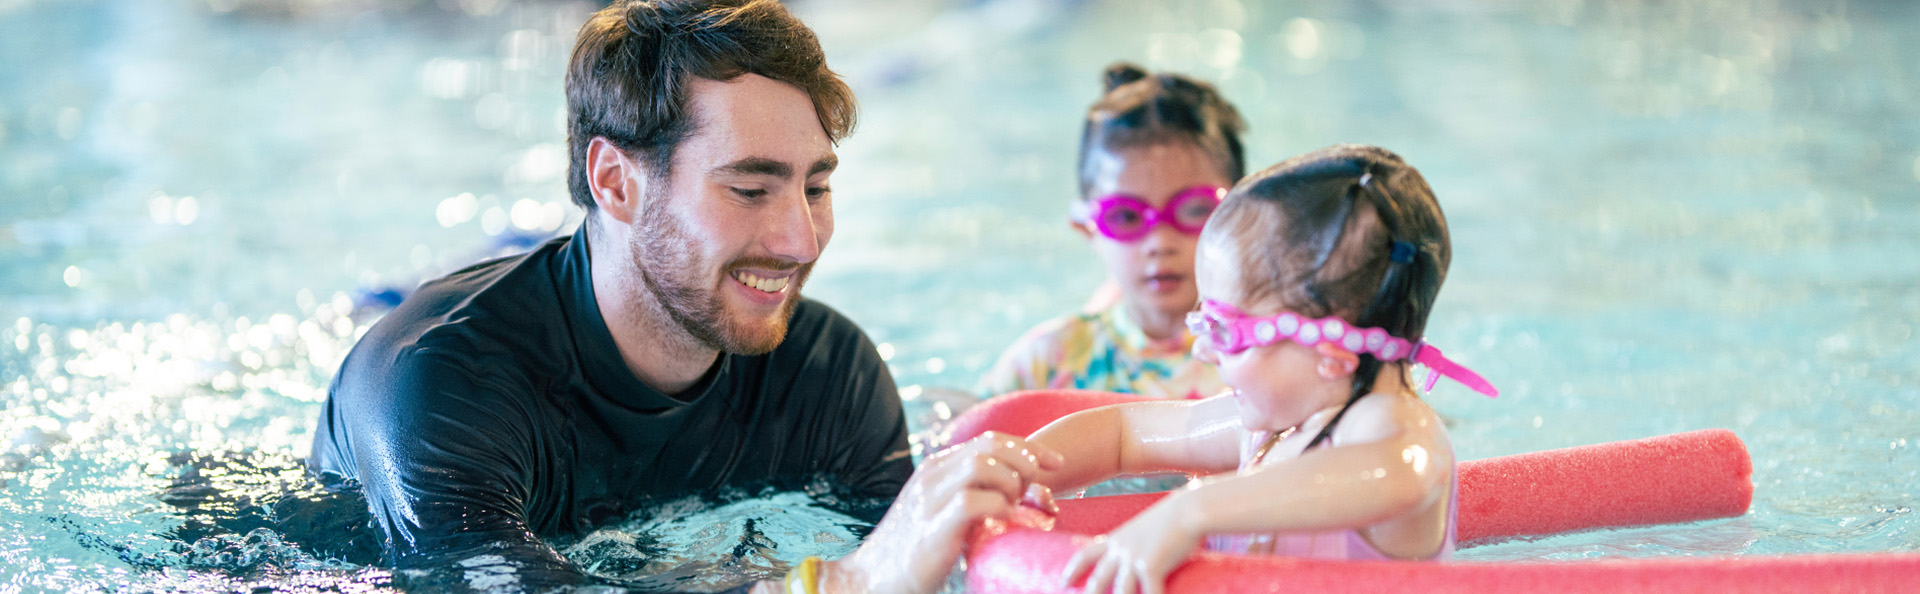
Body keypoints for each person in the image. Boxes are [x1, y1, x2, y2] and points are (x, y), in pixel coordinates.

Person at [305, 1, 1059, 593]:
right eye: (750, 188)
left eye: (817, 187)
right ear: (616, 183)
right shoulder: (439, 386)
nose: (801, 241)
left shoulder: (828, 376)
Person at [1023, 145, 1499, 594]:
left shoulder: (1392, 428)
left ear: (1330, 354)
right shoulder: (1269, 430)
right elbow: (1124, 434)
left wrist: (1190, 509)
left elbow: (1401, 474)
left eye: (1224, 332)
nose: (1203, 353)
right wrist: (1022, 470)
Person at [977, 63, 1245, 400]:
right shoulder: (1047, 366)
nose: (1160, 243)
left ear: (1242, 217)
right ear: (1087, 228)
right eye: (1126, 217)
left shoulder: (1272, 351)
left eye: (1193, 210)